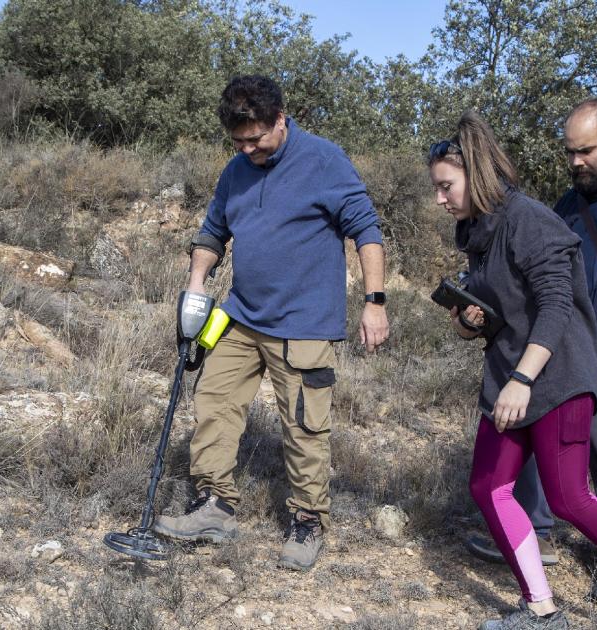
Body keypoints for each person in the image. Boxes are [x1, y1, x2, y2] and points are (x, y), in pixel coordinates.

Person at [429, 112, 597, 629]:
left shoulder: (530, 219)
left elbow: (557, 305)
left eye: (445, 186)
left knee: (569, 497)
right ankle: (541, 611)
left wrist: (522, 380)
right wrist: (468, 318)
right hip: (511, 371)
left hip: (558, 374)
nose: (440, 198)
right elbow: (491, 317)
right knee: (489, 485)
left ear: (473, 175)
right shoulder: (475, 231)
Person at [151, 75, 390, 572]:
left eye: (256, 138)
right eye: (238, 141)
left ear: (281, 118)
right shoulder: (236, 169)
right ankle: (213, 506)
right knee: (213, 402)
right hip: (238, 316)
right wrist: (197, 283)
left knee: (304, 425)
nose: (248, 149)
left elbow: (366, 229)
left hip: (303, 323)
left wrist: (375, 301)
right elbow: (213, 231)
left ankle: (308, 522)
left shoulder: (324, 160)